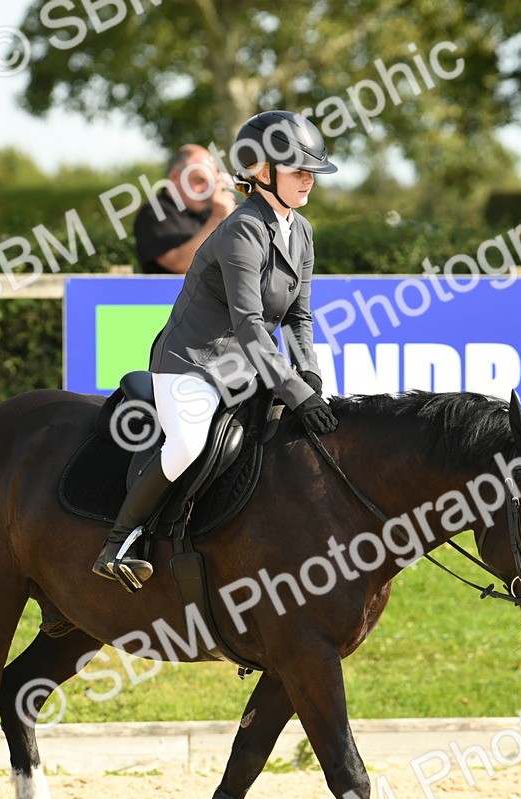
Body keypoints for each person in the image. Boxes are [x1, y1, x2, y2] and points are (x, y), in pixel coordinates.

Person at [94, 111, 340, 590]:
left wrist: (308, 375)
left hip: (243, 369)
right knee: (188, 443)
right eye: (297, 170)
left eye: (312, 170)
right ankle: (119, 542)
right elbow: (249, 325)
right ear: (261, 171)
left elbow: (298, 316)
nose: (308, 179)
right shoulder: (242, 230)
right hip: (192, 364)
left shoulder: (302, 231)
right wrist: (291, 388)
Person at [133, 144, 237, 274]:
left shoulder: (211, 211)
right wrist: (217, 219)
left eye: (212, 182)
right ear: (175, 178)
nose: (207, 190)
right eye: (199, 180)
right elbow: (180, 265)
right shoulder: (154, 212)